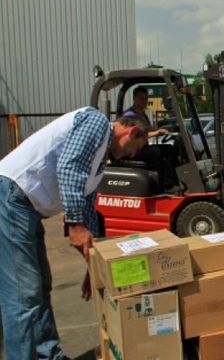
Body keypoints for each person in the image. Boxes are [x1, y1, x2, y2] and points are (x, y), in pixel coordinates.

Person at [0, 108, 148, 360]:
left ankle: (48, 354)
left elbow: (89, 209)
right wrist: (74, 224)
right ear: (132, 131)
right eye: (136, 147)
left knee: (40, 287)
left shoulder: (99, 160)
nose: (132, 154)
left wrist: (93, 266)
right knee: (24, 294)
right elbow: (69, 168)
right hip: (12, 197)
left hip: (29, 207)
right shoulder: (96, 122)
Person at [123, 86, 179, 191]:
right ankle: (162, 187)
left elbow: (146, 129)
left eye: (146, 99)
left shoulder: (141, 114)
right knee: (156, 152)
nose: (144, 101)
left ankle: (174, 181)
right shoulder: (130, 116)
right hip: (133, 151)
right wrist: (157, 132)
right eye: (141, 99)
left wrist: (161, 129)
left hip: (143, 147)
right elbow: (137, 137)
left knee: (169, 149)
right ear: (134, 99)